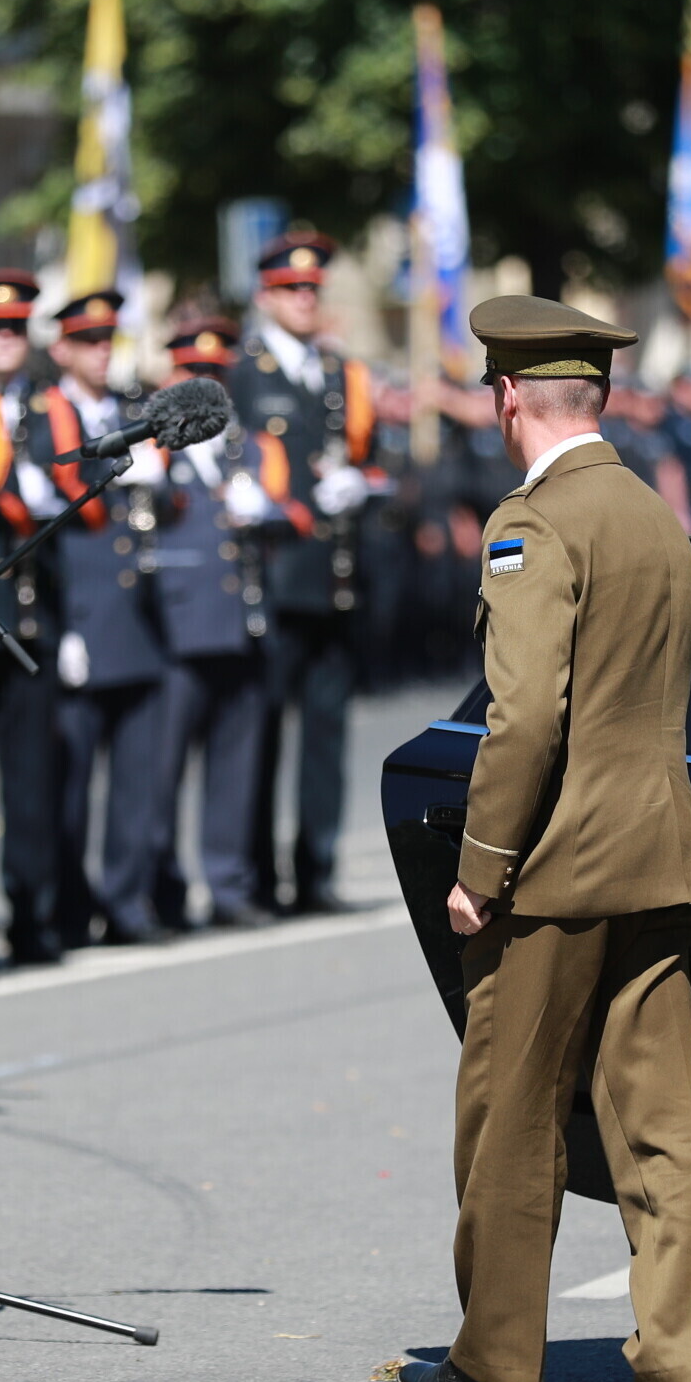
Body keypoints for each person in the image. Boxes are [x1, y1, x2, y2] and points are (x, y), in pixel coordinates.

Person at [398, 295, 691, 1382]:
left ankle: (495, 1360)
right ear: (599, 395)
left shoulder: (533, 523)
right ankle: (681, 1360)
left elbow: (525, 717)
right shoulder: (652, 512)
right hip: (661, 852)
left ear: (506, 398)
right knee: (664, 1122)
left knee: (511, 1112)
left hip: (558, 869)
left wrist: (480, 868)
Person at [31, 288, 173, 945]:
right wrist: (66, 625)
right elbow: (44, 529)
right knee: (69, 781)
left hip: (138, 617)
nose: (98, 353)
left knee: (136, 778)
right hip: (80, 616)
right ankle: (65, 908)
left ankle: (125, 902)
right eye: (85, 341)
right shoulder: (40, 417)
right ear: (61, 349)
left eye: (104, 341)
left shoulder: (129, 411)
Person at [240, 231, 375, 915]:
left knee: (326, 733)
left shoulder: (338, 372)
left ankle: (316, 871)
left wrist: (362, 482)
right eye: (290, 289)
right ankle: (257, 876)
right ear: (264, 296)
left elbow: (371, 457)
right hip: (273, 577)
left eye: (311, 289)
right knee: (261, 733)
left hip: (332, 578)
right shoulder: (244, 373)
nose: (303, 299)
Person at [154, 318, 280, 929]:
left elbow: (283, 513)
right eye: (193, 373)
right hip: (176, 628)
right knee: (161, 769)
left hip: (238, 621)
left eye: (215, 374)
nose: (206, 384)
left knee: (235, 765)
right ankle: (161, 891)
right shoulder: (155, 447)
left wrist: (268, 511)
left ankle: (227, 885)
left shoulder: (247, 446)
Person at [0, 268, 67, 963]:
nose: (4, 339)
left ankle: (32, 918)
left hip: (34, 617)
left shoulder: (45, 409)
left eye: (14, 328)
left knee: (31, 785)